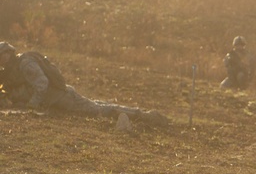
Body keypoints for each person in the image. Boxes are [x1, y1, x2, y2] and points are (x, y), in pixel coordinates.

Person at [0, 42, 168, 127]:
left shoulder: (24, 63)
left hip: (63, 97)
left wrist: (33, 104)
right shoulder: (12, 69)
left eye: (2, 55)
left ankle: (143, 115)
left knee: (98, 110)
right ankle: (139, 113)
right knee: (97, 106)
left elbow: (42, 83)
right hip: (58, 99)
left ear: (8, 53)